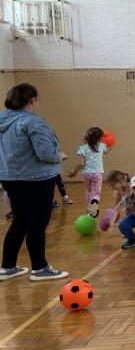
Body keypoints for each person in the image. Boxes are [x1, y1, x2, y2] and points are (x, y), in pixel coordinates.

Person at [0, 83, 69, 281]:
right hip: (36, 179)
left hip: (9, 178)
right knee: (37, 223)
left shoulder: (2, 120)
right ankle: (39, 268)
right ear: (32, 100)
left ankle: (8, 267)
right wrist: (59, 155)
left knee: (20, 220)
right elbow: (45, 153)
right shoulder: (33, 121)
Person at [66, 126, 108, 217]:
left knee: (88, 192)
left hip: (86, 174)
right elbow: (106, 151)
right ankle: (95, 201)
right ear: (100, 138)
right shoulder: (102, 146)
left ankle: (88, 210)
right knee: (95, 193)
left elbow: (81, 164)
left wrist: (73, 173)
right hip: (97, 174)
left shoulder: (82, 148)